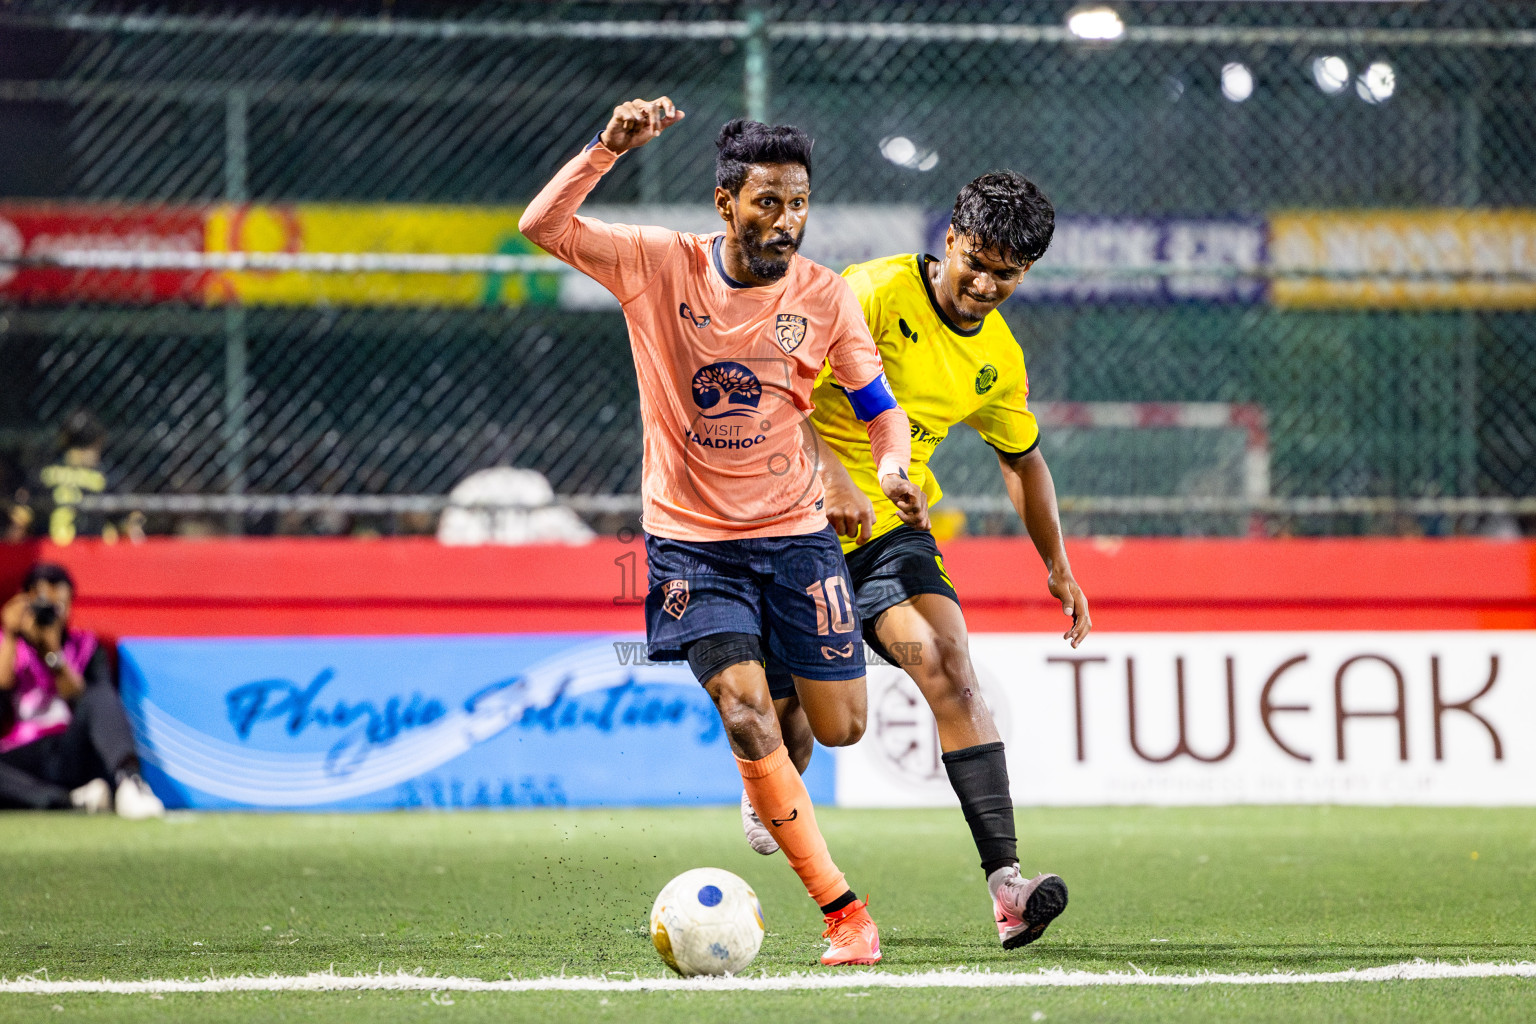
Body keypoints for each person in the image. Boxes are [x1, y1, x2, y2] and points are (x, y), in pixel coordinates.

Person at [519, 96, 929, 966]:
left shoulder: (824, 296)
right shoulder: (656, 264)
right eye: (768, 202)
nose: (787, 220)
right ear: (725, 202)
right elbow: (541, 225)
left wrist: (890, 467)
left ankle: (771, 749)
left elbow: (878, 408)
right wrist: (604, 148)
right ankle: (845, 914)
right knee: (745, 716)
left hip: (797, 538)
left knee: (840, 727)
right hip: (691, 543)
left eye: (799, 203)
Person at [743, 170, 1091, 950]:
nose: (986, 285)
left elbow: (1023, 458)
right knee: (808, 728)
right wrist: (830, 475)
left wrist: (1058, 564)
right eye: (977, 262)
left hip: (887, 534)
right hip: (787, 526)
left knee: (949, 666)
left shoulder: (998, 356)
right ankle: (767, 755)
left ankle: (1008, 887)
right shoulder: (867, 294)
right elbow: (768, 387)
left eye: (1008, 273)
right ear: (950, 240)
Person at [0, 563, 164, 818]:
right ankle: (71, 801)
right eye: (41, 605)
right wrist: (11, 634)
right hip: (22, 756)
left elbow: (90, 702)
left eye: (58, 606)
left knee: (99, 694)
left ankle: (130, 782)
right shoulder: (6, 645)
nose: (49, 614)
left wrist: (52, 653)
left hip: (71, 748)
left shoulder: (86, 646)